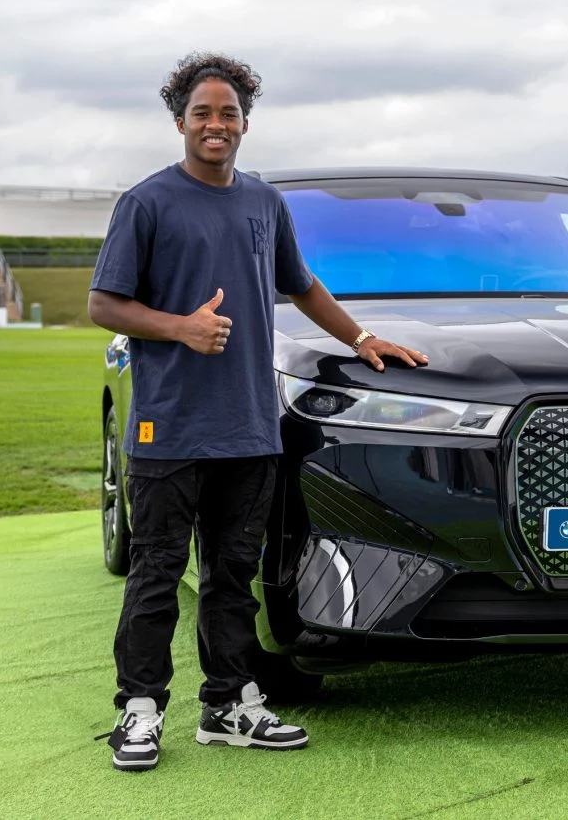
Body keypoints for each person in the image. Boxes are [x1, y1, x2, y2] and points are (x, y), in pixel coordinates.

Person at [88, 52, 428, 772]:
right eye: (203, 112)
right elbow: (102, 304)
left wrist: (364, 339)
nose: (217, 125)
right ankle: (140, 711)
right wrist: (181, 326)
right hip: (168, 427)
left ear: (246, 122)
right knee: (156, 572)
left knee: (232, 576)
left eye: (230, 113)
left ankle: (230, 704)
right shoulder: (146, 203)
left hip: (248, 425)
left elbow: (302, 287)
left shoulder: (264, 204)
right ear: (179, 119)